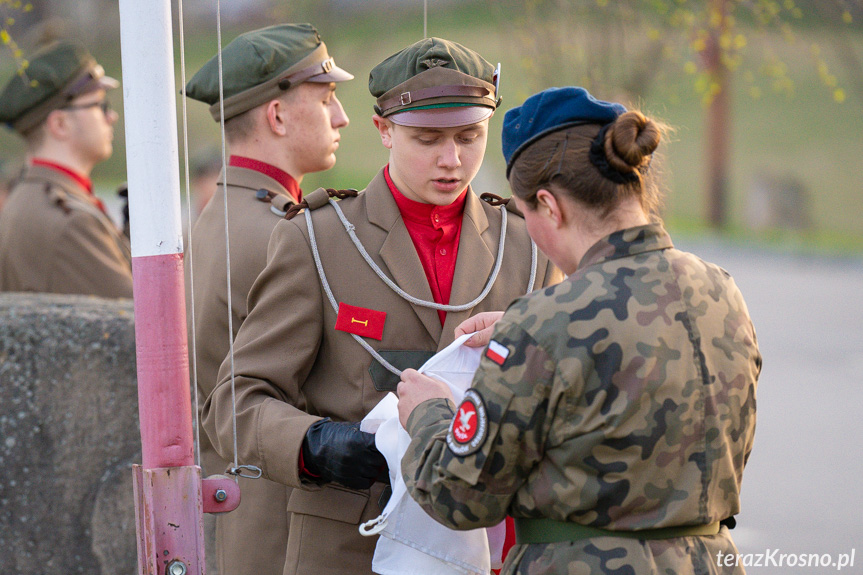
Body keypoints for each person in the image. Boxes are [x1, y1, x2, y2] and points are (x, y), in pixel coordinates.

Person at [202, 38, 563, 575]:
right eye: (427, 139)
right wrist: (313, 443)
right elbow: (235, 400)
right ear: (384, 130)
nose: (452, 159)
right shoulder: (319, 239)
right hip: (351, 547)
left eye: (470, 136)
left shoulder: (527, 244)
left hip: (484, 546)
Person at [396, 86, 762, 575]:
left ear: (550, 206)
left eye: (527, 216)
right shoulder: (720, 291)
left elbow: (460, 497)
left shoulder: (544, 323)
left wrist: (429, 415)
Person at [183, 23, 352, 575]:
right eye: (327, 99)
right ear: (277, 117)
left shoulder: (228, 215)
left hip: (248, 511)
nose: (342, 117)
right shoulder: (282, 232)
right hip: (289, 521)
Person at [0, 40, 132, 297]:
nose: (111, 117)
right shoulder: (71, 222)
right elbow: (147, 323)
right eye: (100, 105)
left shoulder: (32, 197)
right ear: (60, 124)